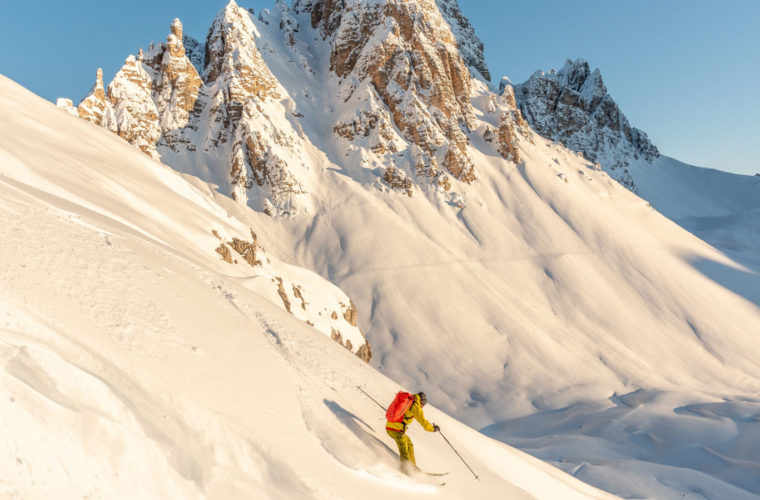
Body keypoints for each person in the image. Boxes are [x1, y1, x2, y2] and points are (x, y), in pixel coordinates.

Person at [385, 391, 440, 473]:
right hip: (395, 430)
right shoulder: (416, 407)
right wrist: (433, 429)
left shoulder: (411, 401)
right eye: (423, 404)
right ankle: (405, 470)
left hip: (391, 427)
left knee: (409, 444)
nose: (423, 406)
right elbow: (423, 422)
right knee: (404, 449)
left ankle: (412, 466)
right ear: (421, 402)